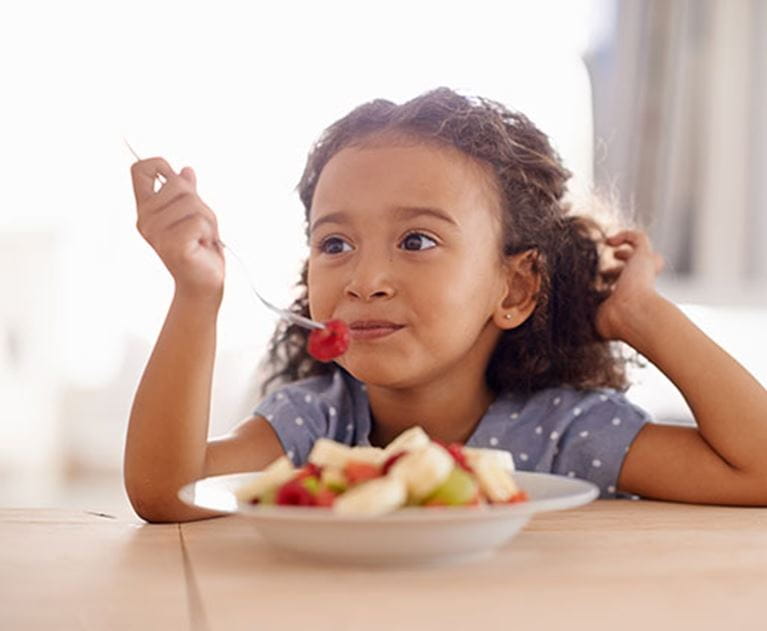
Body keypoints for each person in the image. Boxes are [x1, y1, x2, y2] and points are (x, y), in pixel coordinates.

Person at [125, 87, 767, 523]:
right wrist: (196, 293)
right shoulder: (315, 428)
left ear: (514, 288)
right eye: (336, 243)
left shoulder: (566, 434)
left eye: (417, 240)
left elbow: (757, 470)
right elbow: (170, 491)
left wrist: (641, 316)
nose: (365, 279)